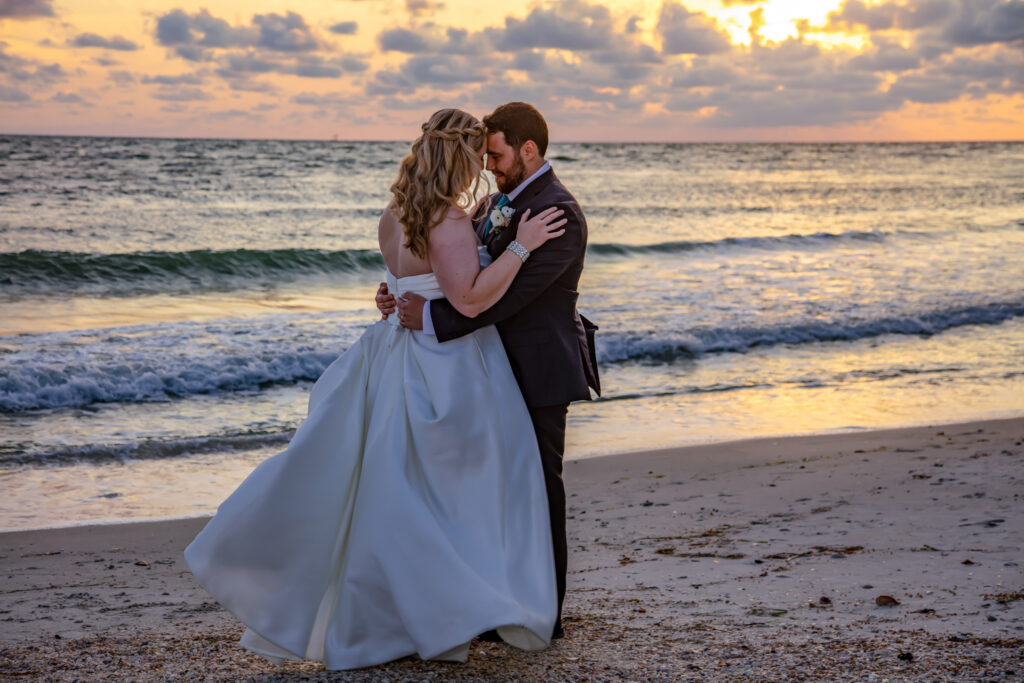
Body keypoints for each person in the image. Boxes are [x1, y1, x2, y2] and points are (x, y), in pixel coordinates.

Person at [185, 108, 571, 670]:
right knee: (464, 493)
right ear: (460, 158)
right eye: (478, 157)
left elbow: (403, 279)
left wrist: (391, 295)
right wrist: (520, 246)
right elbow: (468, 298)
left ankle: (412, 609)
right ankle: (454, 607)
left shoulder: (395, 215)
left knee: (396, 491)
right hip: (448, 366)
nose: (484, 168)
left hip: (393, 353)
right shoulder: (451, 220)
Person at [377, 101, 601, 641]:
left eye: (496, 155)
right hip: (486, 367)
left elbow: (512, 298)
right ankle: (491, 601)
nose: (488, 166)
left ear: (529, 150)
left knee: (540, 490)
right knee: (490, 489)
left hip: (539, 367)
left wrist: (429, 313)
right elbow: (446, 259)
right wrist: (403, 290)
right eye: (483, 155)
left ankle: (546, 612)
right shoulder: (496, 200)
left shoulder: (557, 213)